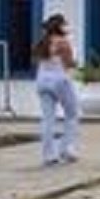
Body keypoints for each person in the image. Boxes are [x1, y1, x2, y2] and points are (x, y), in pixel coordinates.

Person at [34, 13, 79, 167]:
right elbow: (69, 63)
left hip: (42, 80)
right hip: (60, 79)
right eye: (65, 24)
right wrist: (75, 63)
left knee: (48, 119)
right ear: (59, 26)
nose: (67, 26)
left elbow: (38, 61)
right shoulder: (63, 42)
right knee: (71, 114)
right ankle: (67, 149)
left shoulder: (42, 43)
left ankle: (48, 155)